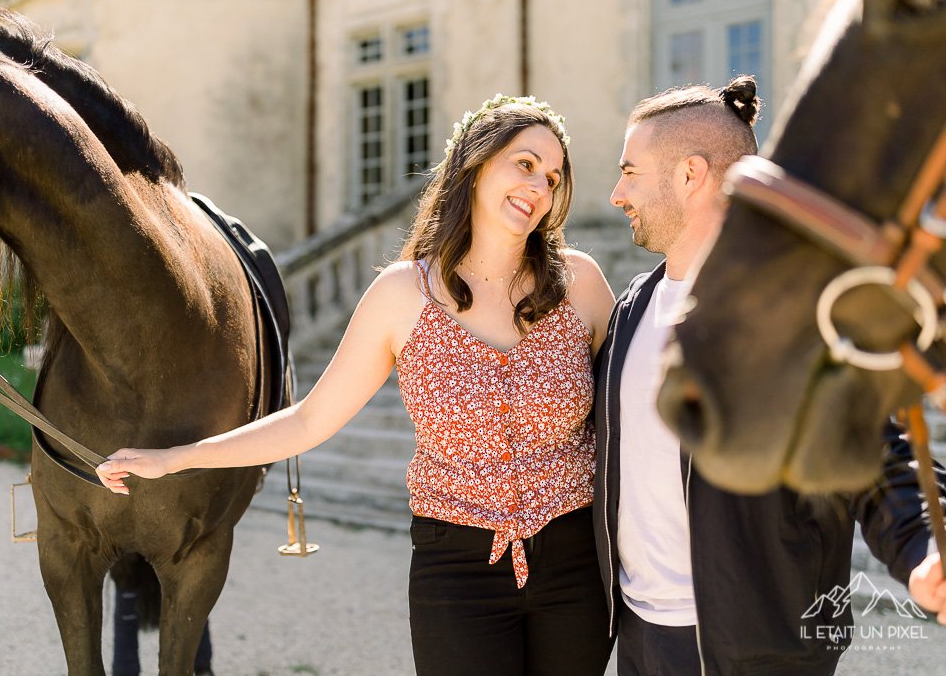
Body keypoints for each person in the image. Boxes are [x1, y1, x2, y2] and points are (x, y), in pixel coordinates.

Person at [97, 94, 617, 675]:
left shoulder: (582, 285)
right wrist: (175, 459)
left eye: (552, 177)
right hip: (458, 569)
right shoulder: (403, 294)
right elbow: (310, 420)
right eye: (524, 164)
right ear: (475, 162)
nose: (539, 187)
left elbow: (626, 413)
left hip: (576, 562)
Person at [594, 74, 946, 676]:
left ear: (689, 175)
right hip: (641, 637)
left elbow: (873, 451)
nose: (616, 194)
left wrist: (924, 549)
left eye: (630, 171)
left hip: (762, 649)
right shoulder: (629, 306)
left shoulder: (792, 312)